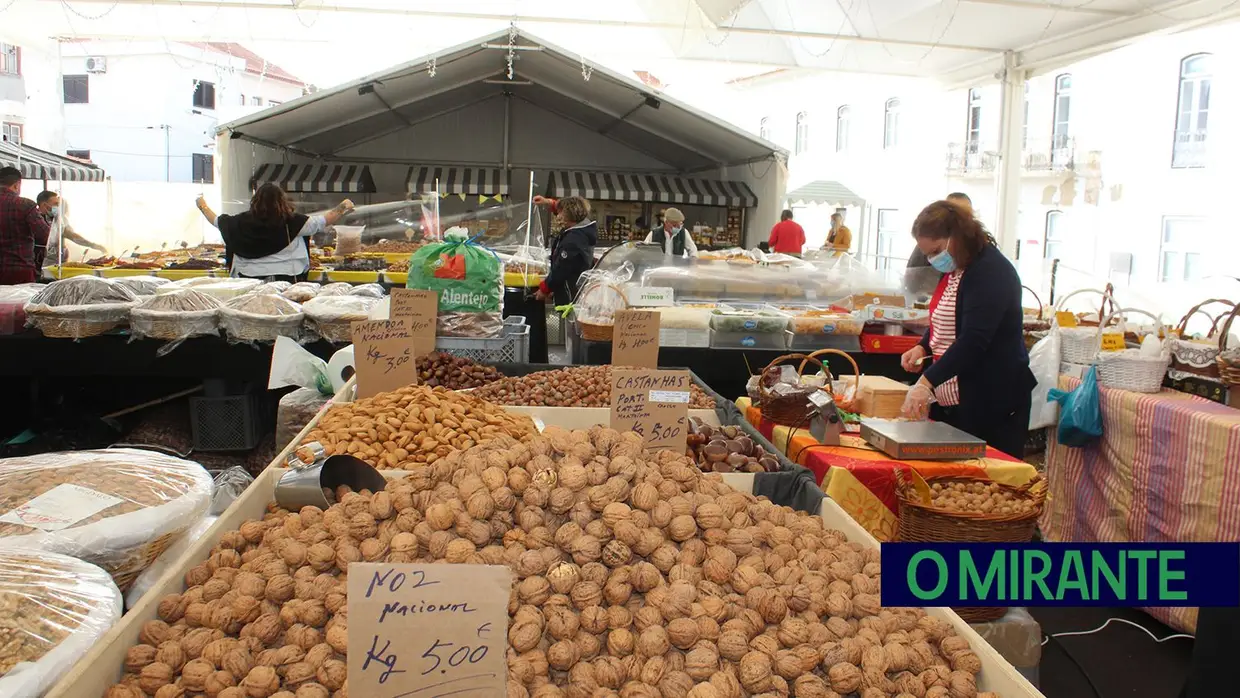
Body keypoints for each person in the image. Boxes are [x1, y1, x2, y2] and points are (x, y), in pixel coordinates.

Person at [899, 199, 1035, 457]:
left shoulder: (990, 272)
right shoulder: (956, 268)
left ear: (956, 237)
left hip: (992, 399)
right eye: (927, 254)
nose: (932, 260)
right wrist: (923, 345)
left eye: (936, 250)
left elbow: (973, 339)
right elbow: (945, 318)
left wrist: (926, 382)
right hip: (953, 398)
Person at [195, 184, 353, 283]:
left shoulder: (238, 223)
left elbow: (216, 221)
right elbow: (325, 220)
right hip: (286, 278)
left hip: (248, 279)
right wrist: (344, 206)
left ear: (255, 200)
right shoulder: (293, 222)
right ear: (281, 201)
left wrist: (202, 206)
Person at [532, 195, 597, 305]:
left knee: (567, 320)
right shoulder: (582, 229)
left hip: (569, 295)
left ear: (569, 215)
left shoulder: (573, 241)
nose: (558, 217)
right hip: (574, 290)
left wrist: (545, 288)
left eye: (561, 213)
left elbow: (561, 270)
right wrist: (550, 203)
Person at [0, 166, 50, 285]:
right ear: (17, 185)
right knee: (18, 304)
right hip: (20, 272)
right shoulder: (25, 205)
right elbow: (45, 235)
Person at [35, 192, 108, 267]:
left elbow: (72, 235)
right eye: (56, 204)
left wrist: (93, 245)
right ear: (44, 205)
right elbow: (70, 235)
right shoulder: (34, 220)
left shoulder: (59, 219)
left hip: (59, 263)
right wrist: (93, 245)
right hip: (39, 263)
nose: (58, 207)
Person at [907, 192, 971, 270]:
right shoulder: (928, 246)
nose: (960, 222)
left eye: (965, 215)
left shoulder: (979, 255)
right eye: (953, 214)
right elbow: (913, 277)